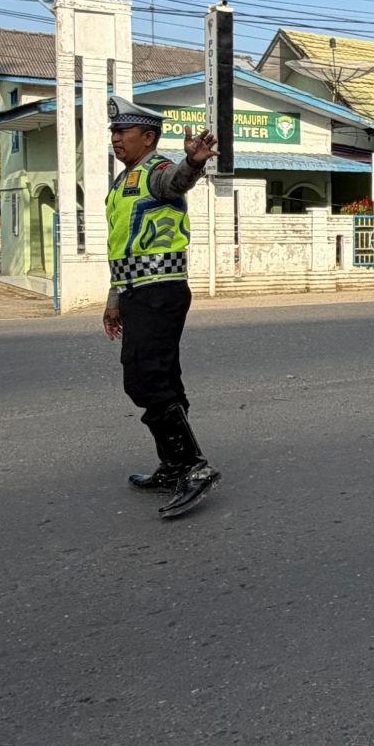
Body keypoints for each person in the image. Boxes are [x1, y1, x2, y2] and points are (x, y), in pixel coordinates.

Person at [100, 98, 219, 517]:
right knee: (163, 379)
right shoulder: (123, 181)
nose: (115, 139)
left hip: (160, 291)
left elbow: (177, 182)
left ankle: (192, 467)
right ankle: (173, 466)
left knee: (145, 380)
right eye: (113, 132)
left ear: (147, 138)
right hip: (137, 292)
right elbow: (121, 246)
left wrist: (194, 163)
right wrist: (115, 299)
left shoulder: (156, 171)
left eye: (122, 133)